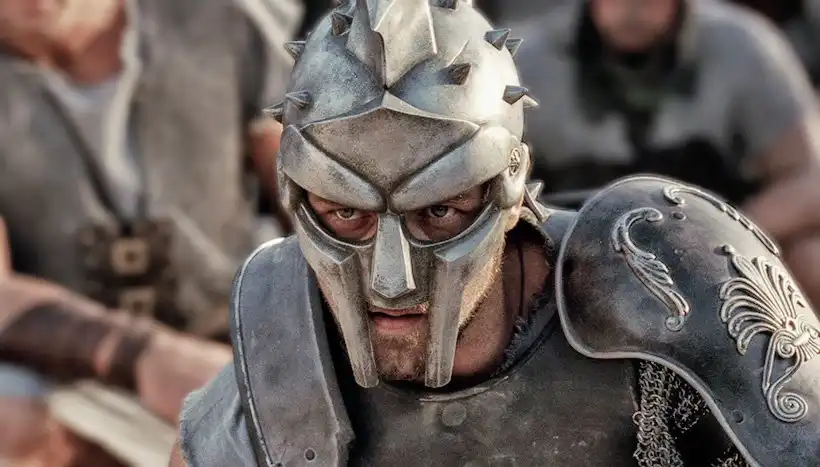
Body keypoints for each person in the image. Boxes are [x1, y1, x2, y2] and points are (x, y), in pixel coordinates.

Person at [170, 1, 820, 466]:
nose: (391, 279)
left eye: (438, 213)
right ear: (295, 198)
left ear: (509, 190)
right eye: (347, 216)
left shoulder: (661, 270)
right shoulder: (283, 347)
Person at [0, 0, 297, 463]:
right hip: (63, 368)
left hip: (242, 329)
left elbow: (318, 204)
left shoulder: (224, 20)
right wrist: (140, 355)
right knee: (11, 425)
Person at [511, 0, 820, 306]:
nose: (632, 8)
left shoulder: (744, 48)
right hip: (573, 257)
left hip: (720, 259)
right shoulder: (530, 62)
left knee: (811, 259)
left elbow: (809, 181)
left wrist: (721, 234)